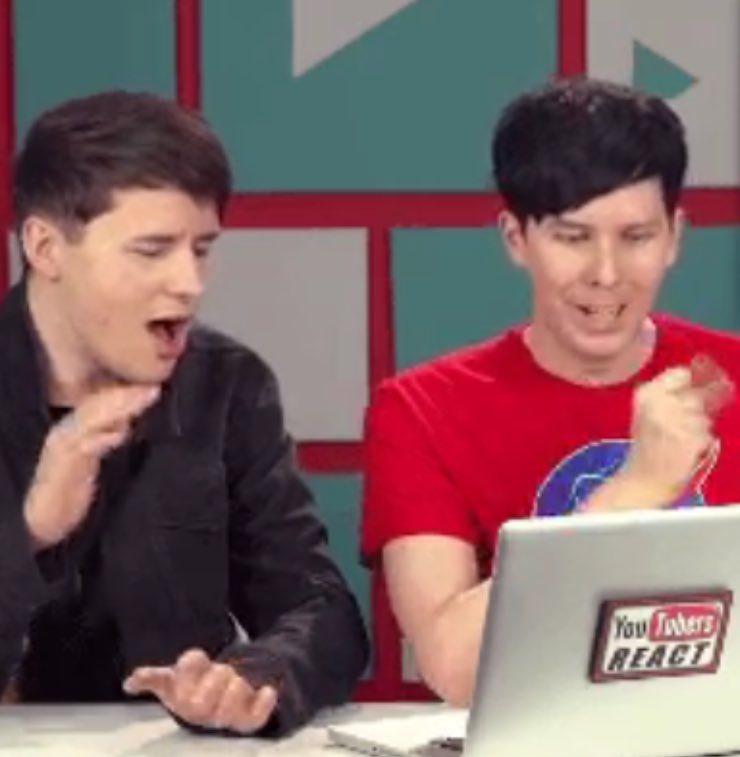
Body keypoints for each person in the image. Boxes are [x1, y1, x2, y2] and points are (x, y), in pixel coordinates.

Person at [361, 77, 740, 707]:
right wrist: (634, 490)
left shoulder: (730, 373)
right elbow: (454, 668)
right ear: (516, 238)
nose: (606, 274)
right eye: (573, 237)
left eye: (636, 237)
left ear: (674, 237)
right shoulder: (423, 409)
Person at [0, 90, 368, 736]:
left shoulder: (228, 385)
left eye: (201, 249)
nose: (190, 283)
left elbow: (324, 611)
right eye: (152, 250)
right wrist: (29, 534)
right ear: (45, 246)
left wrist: (254, 676)